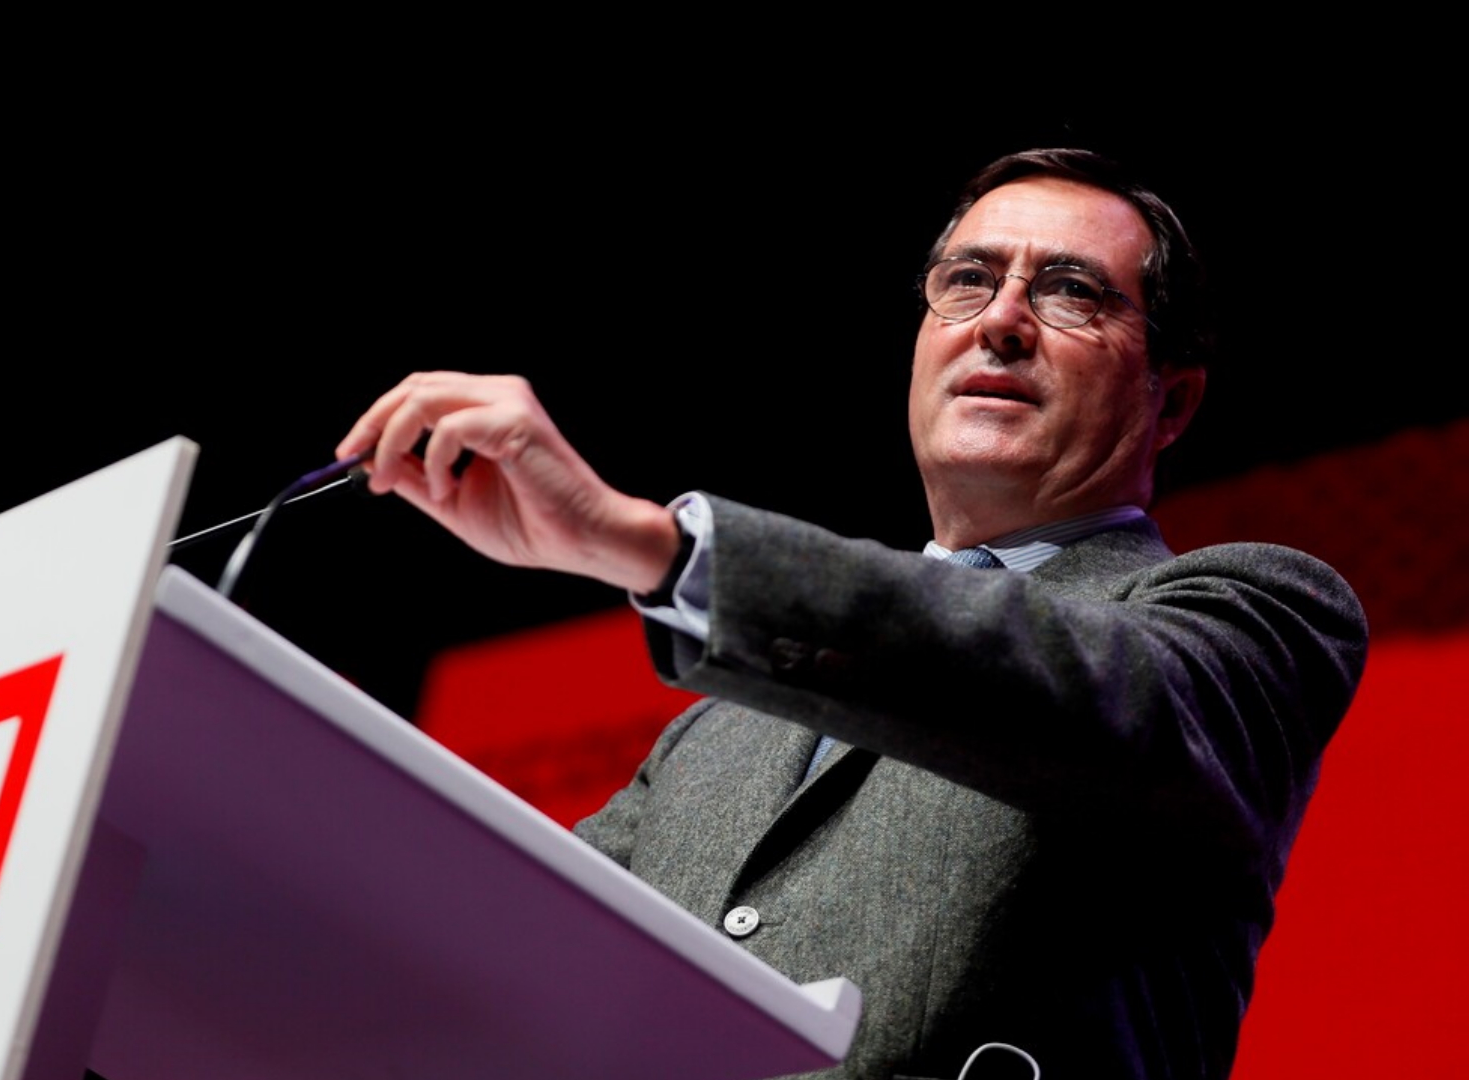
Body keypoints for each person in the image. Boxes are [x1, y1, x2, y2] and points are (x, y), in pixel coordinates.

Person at [335, 149, 1367, 1080]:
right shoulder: (717, 731)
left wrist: (650, 545)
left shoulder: (1259, 615)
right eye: (968, 279)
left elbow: (1079, 686)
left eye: (1070, 291)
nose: (1001, 320)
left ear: (1170, 402)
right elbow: (513, 949)